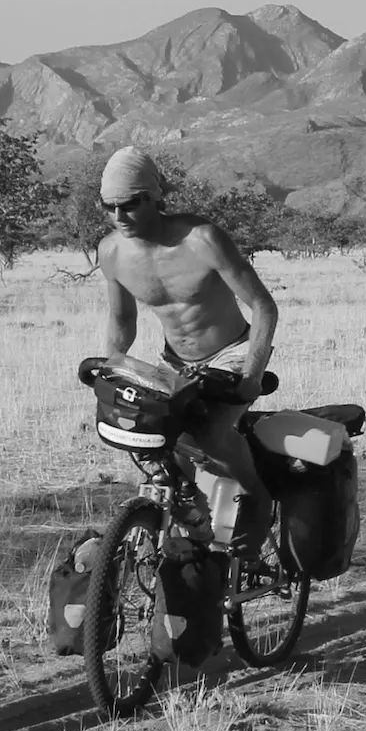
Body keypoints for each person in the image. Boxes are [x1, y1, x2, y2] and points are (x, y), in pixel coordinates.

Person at [93, 146, 280, 560]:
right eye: (110, 207)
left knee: (211, 433)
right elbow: (122, 322)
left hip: (230, 352)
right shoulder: (111, 252)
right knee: (153, 435)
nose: (120, 216)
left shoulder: (202, 239)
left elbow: (264, 307)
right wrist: (111, 369)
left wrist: (251, 376)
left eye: (130, 205)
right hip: (174, 361)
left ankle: (259, 499)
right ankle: (190, 516)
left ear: (155, 197)